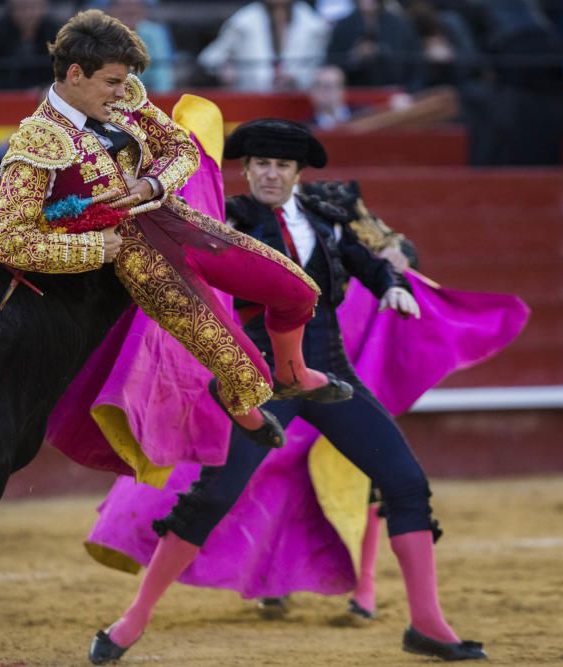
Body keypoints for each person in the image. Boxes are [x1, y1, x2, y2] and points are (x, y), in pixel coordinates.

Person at [85, 119, 489, 664]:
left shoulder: (328, 220)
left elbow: (369, 264)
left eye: (281, 166)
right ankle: (131, 622)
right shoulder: (228, 220)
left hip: (330, 376)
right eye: (261, 165)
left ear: (298, 174)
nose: (271, 173)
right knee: (214, 498)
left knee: (406, 483)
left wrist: (393, 288)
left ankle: (428, 624)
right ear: (247, 171)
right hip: (258, 385)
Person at [0, 10, 354, 478]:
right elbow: (7, 240)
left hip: (176, 220)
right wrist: (96, 251)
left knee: (298, 291)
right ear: (75, 74)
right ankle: (246, 406)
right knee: (244, 373)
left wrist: (152, 186)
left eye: (124, 81)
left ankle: (293, 374)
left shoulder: (124, 99)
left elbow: (182, 149)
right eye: (113, 81)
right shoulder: (37, 143)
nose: (123, 92)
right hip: (138, 259)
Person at [197, 0, 330, 91]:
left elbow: (323, 67)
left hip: (299, 104)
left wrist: (297, 79)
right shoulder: (242, 22)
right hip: (252, 103)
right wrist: (225, 67)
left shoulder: (314, 25)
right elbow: (209, 59)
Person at [325, 0, 425, 90]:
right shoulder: (343, 26)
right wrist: (354, 57)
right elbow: (332, 63)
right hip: (355, 94)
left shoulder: (401, 26)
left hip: (395, 93)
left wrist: (409, 93)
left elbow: (415, 65)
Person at [0, 0, 62, 90]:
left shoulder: (56, 33)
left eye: (33, 7)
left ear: (43, 7)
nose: (28, 14)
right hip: (5, 96)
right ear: (11, 9)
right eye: (22, 8)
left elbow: (63, 71)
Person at [103, 0, 176, 93]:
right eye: (121, 5)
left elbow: (162, 72)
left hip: (148, 96)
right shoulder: (98, 34)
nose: (129, 10)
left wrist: (162, 98)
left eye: (135, 5)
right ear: (110, 9)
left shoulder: (155, 32)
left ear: (144, 9)